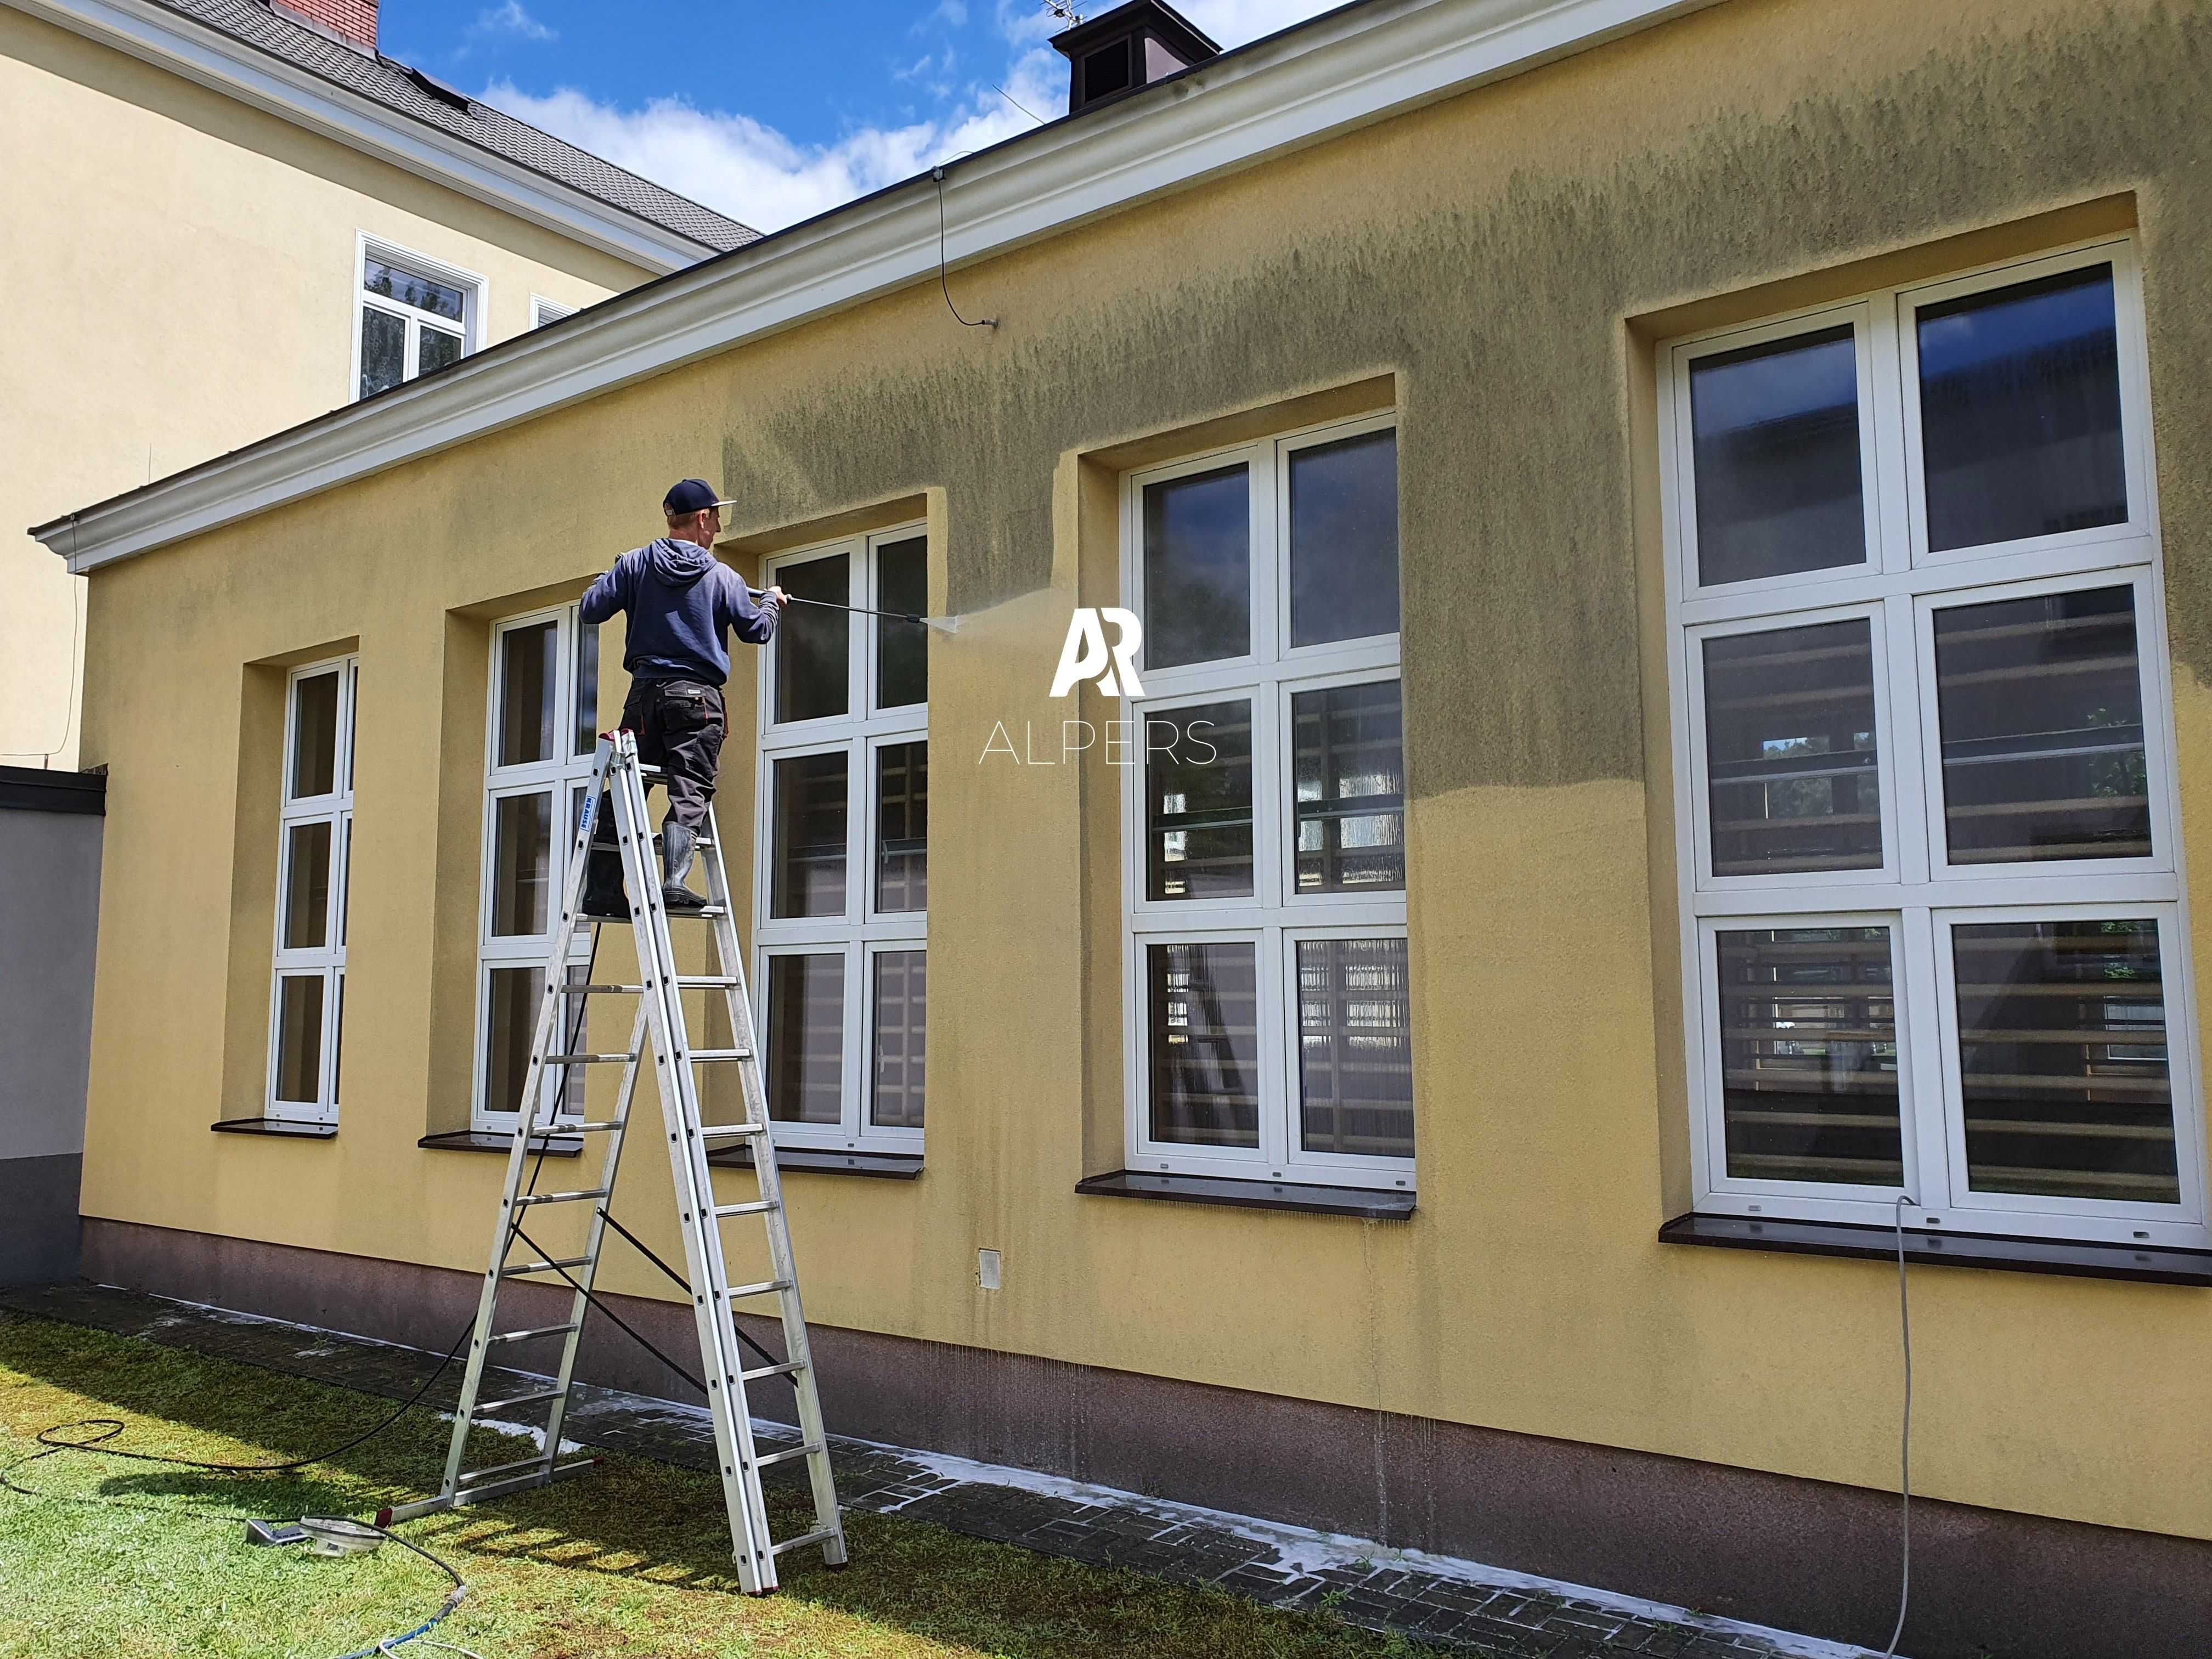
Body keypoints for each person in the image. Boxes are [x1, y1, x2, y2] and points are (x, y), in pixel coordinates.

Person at [578, 479, 783, 916]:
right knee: (689, 787)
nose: (719, 530)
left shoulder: (635, 565)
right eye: (717, 520)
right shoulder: (723, 577)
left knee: (625, 794)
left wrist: (611, 573)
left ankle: (603, 891)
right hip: (698, 701)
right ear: (703, 518)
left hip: (645, 698)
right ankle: (674, 882)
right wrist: (771, 602)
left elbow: (591, 608)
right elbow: (758, 631)